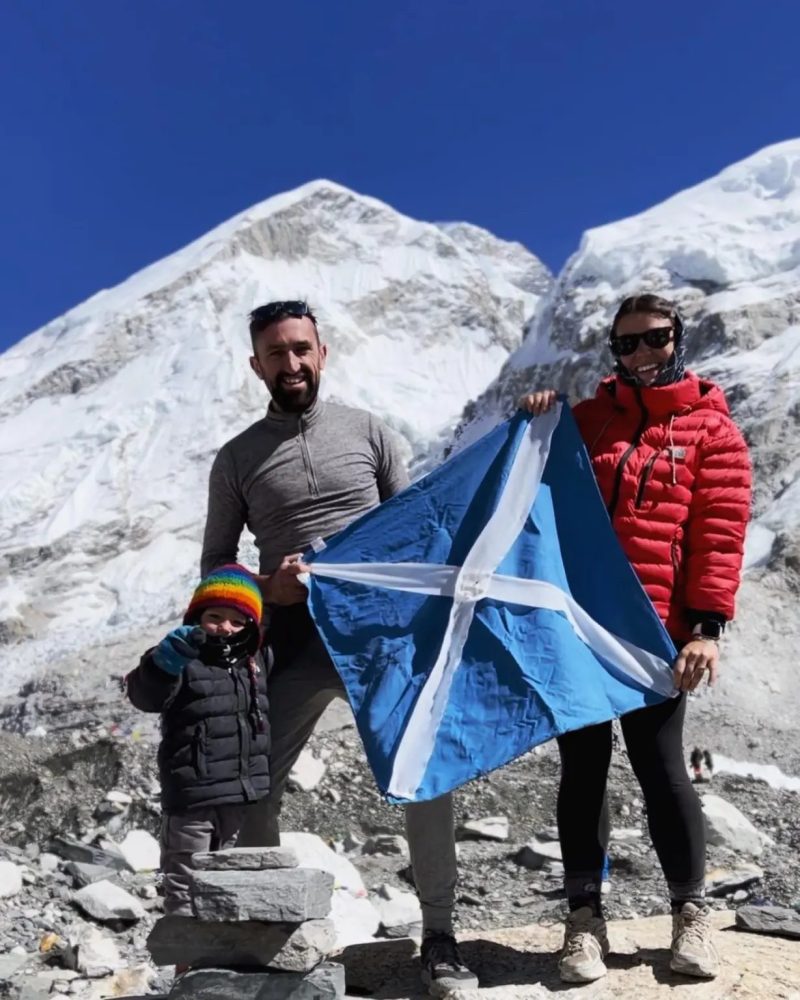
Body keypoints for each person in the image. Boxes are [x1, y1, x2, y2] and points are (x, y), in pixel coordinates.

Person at [200, 300, 476, 996]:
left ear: (322, 353)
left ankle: (439, 937)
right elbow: (216, 569)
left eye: (301, 349)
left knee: (422, 772)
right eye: (275, 353)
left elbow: (417, 532)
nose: (290, 364)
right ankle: (266, 929)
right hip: (292, 638)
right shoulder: (235, 460)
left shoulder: (369, 433)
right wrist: (269, 587)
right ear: (255, 365)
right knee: (254, 776)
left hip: (381, 633)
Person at [520, 293, 751, 983]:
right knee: (583, 770)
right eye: (627, 345)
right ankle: (584, 922)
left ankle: (691, 915)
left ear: (677, 339)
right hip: (582, 628)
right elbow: (532, 492)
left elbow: (719, 534)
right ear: (612, 353)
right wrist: (536, 419)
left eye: (654, 339)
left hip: (658, 633)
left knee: (661, 769)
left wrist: (707, 628)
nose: (642, 354)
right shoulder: (588, 423)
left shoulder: (714, 433)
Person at [125, 564, 269, 918]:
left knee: (226, 883)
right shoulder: (178, 657)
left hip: (237, 796)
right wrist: (162, 665)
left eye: (237, 621)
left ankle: (217, 966)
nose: (225, 627)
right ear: (196, 616)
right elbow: (146, 695)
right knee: (185, 885)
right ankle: (184, 967)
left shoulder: (255, 661)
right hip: (192, 797)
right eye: (215, 616)